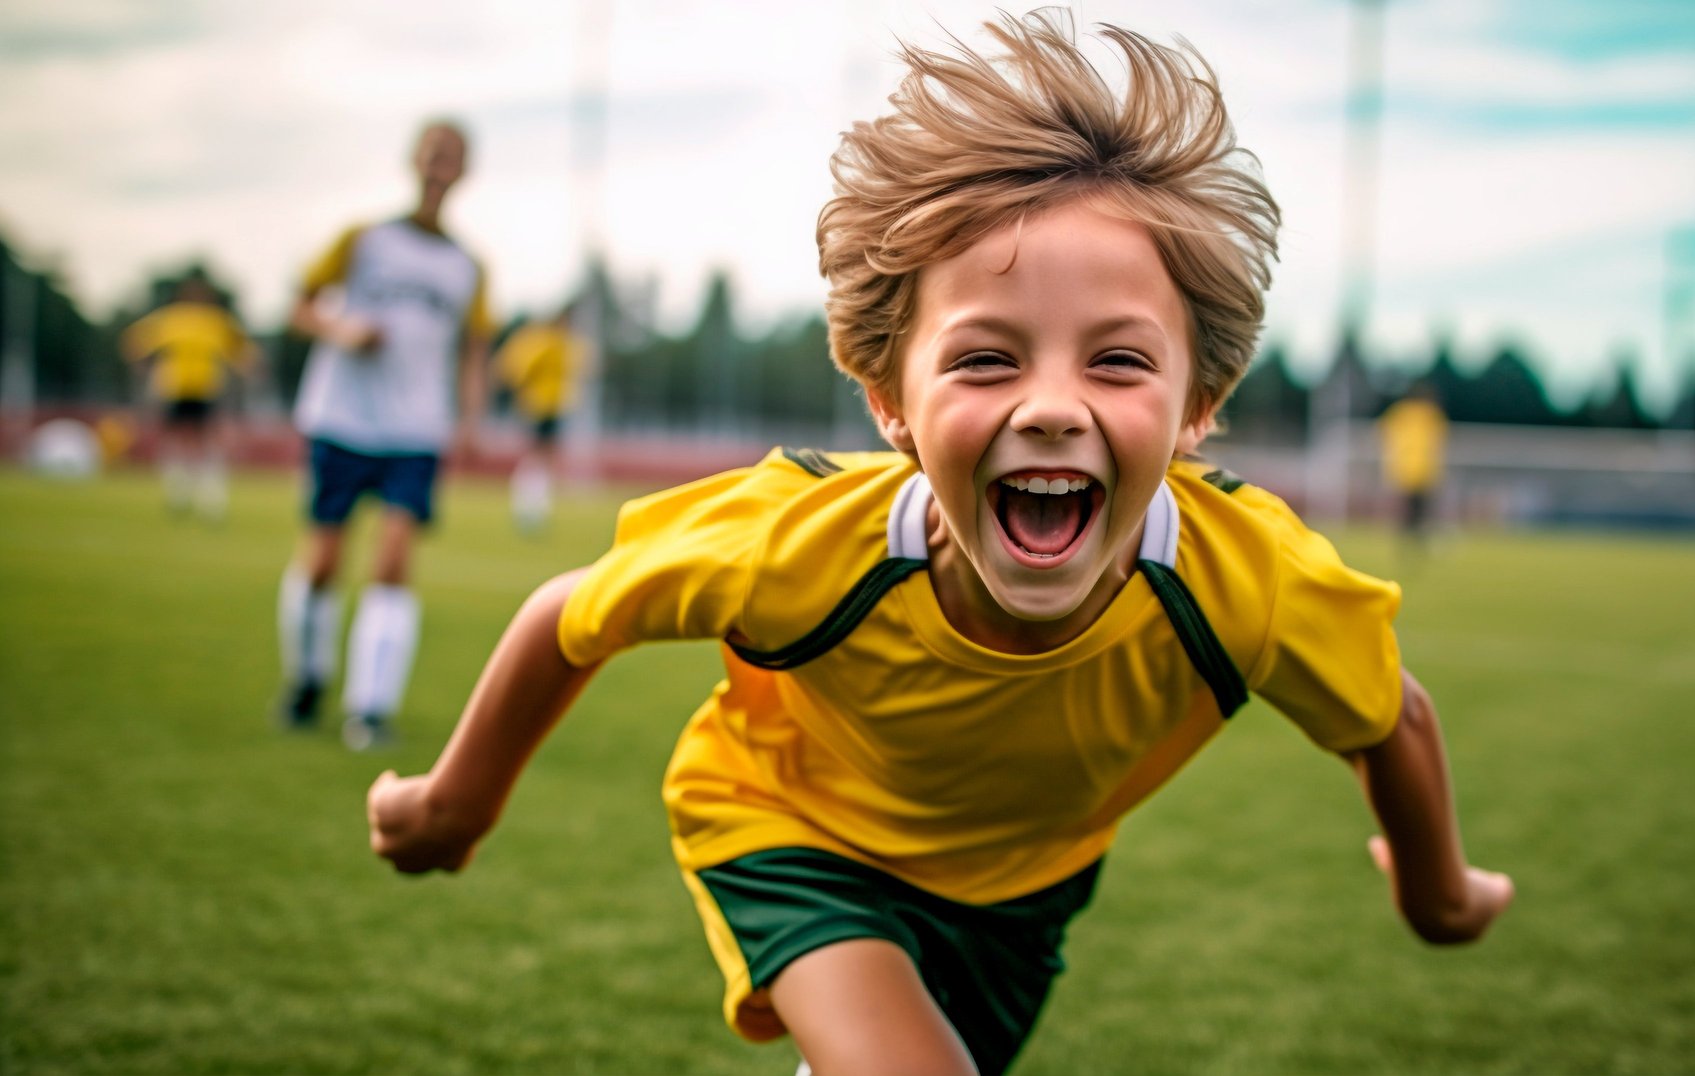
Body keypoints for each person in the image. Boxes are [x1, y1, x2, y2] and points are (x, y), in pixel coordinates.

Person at [366, 15, 1512, 1075]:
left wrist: (1439, 891)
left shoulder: (1245, 581)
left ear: (1200, 400)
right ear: (887, 396)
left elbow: (1388, 717)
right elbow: (573, 613)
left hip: (1023, 898)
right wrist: (456, 803)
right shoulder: (796, 543)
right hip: (791, 829)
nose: (1053, 405)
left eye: (1117, 360)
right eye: (986, 359)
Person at [279, 119, 491, 750]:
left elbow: (474, 349)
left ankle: (370, 709)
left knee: (395, 559)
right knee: (322, 562)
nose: (439, 165)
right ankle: (307, 678)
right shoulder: (362, 238)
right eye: (432, 152)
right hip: (341, 417)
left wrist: (471, 419)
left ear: (464, 170)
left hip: (415, 428)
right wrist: (343, 330)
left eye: (451, 156)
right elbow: (301, 304)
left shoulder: (467, 266)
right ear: (414, 160)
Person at [118, 272, 258, 521]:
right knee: (187, 442)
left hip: (201, 389)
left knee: (196, 442)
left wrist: (141, 363)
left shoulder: (201, 321)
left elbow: (240, 352)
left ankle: (201, 497)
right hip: (179, 389)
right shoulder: (187, 320)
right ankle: (186, 495)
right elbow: (135, 342)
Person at [493, 303, 587, 534]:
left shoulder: (566, 344)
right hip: (538, 406)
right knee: (537, 457)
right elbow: (514, 367)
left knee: (545, 458)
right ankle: (528, 505)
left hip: (555, 407)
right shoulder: (542, 341)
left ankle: (536, 507)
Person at [1378, 381, 1448, 553]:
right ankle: (1415, 542)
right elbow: (1439, 442)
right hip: (1423, 470)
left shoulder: (1399, 412)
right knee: (1419, 511)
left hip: (1405, 470)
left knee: (1409, 511)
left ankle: (1409, 543)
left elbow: (1385, 434)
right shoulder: (1431, 414)